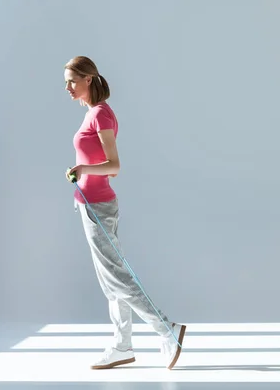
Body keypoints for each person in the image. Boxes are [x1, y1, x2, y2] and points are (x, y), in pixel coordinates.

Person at [63, 56, 185, 370]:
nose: (68, 87)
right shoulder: (94, 113)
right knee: (110, 280)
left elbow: (115, 166)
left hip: (98, 206)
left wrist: (82, 168)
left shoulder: (100, 114)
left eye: (72, 81)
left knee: (116, 278)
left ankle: (166, 329)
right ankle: (122, 346)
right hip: (92, 204)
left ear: (88, 79)